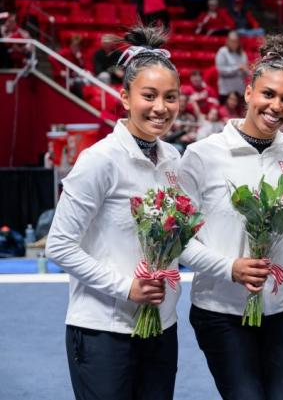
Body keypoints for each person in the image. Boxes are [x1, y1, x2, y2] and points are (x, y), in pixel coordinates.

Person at [45, 24, 184, 400]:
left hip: (160, 328)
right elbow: (58, 245)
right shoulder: (99, 160)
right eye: (149, 96)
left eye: (170, 97)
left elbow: (177, 240)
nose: (161, 108)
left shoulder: (173, 159)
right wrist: (126, 288)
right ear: (124, 97)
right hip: (103, 331)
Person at [179, 34, 283, 400]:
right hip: (221, 311)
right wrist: (229, 267)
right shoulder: (201, 155)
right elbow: (177, 241)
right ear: (249, 90)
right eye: (268, 94)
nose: (276, 106)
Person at [215, 31, 250, 104]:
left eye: (236, 41)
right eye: (232, 41)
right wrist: (237, 68)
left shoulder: (242, 54)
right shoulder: (222, 52)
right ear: (228, 41)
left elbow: (246, 73)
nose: (234, 43)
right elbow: (221, 70)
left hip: (239, 90)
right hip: (226, 90)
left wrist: (247, 70)